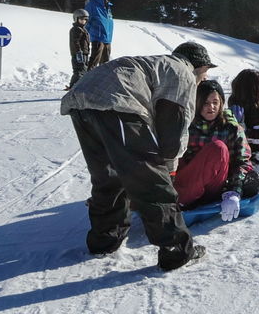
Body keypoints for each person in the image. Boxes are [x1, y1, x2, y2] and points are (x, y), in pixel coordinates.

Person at [61, 41, 215, 271]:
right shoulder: (183, 72)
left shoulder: (158, 65)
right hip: (116, 103)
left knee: (108, 176)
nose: (204, 79)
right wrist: (167, 170)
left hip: (80, 101)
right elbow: (173, 128)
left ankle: (105, 239)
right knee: (150, 180)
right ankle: (176, 250)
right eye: (204, 74)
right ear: (199, 66)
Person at [173, 80, 259, 222]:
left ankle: (182, 199)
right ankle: (174, 196)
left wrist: (234, 191)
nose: (211, 107)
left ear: (221, 102)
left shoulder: (231, 128)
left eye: (215, 102)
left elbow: (242, 161)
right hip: (187, 181)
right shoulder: (188, 125)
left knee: (218, 148)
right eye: (205, 103)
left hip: (213, 186)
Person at [85, 0, 114, 68]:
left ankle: (103, 77)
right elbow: (87, 21)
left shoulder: (107, 5)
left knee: (105, 65)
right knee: (94, 62)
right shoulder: (92, 4)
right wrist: (86, 36)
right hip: (97, 37)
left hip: (107, 39)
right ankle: (88, 76)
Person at [68, 9, 91, 89]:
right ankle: (73, 86)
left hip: (84, 53)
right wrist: (78, 52)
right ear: (76, 18)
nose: (83, 21)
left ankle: (79, 86)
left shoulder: (83, 29)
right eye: (81, 19)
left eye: (85, 19)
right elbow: (75, 42)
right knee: (79, 70)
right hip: (78, 54)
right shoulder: (76, 29)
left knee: (84, 70)